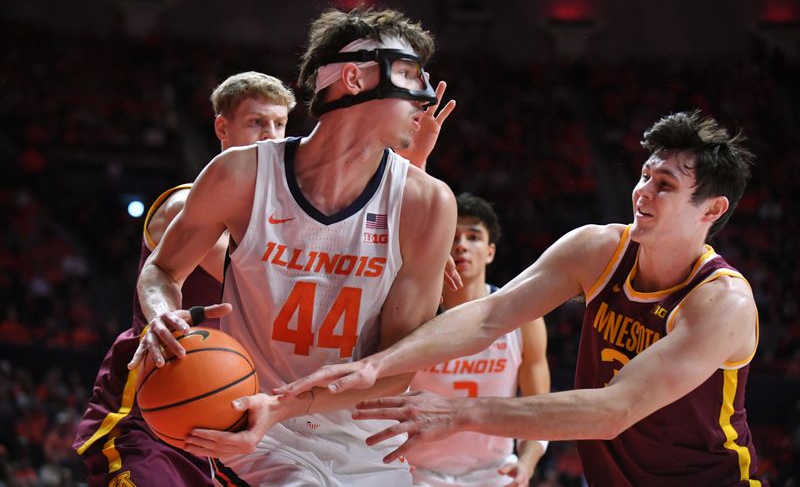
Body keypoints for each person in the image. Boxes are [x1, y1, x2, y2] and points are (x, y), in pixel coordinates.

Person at [280, 111, 768, 486]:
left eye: (666, 186)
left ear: (713, 209)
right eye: (644, 175)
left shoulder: (722, 302)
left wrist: (460, 413)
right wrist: (381, 364)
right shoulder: (599, 250)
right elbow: (490, 315)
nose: (642, 192)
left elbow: (614, 409)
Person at [131, 6, 457, 487]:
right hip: (252, 425)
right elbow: (160, 272)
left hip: (362, 439)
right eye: (409, 76)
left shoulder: (428, 202)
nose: (425, 95)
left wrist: (293, 402)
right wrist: (162, 311)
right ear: (354, 78)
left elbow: (395, 369)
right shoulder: (239, 175)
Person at [73, 72, 297, 486]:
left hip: (226, 422)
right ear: (222, 128)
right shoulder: (187, 203)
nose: (271, 137)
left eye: (280, 124)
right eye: (257, 123)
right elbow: (264, 281)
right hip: (156, 409)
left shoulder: (283, 223)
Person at [406, 192, 550, 487]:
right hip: (414, 472)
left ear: (490, 251)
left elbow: (539, 408)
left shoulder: (523, 318)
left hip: (495, 474)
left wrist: (526, 464)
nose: (461, 245)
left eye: (473, 237)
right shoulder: (412, 315)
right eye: (453, 236)